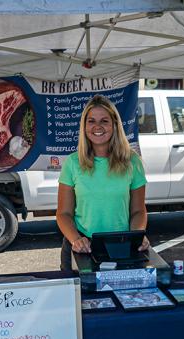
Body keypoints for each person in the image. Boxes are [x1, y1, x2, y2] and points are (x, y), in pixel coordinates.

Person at [56, 95, 149, 271]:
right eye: (91, 121)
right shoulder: (72, 162)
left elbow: (138, 210)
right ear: (84, 127)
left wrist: (137, 236)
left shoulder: (132, 161)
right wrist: (76, 240)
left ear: (114, 125)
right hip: (82, 248)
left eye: (104, 121)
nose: (97, 127)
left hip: (121, 247)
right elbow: (63, 213)